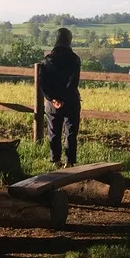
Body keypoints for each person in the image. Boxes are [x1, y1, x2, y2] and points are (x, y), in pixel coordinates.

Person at [39, 28, 82, 167]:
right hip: (70, 101)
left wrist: (53, 98)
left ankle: (55, 160)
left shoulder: (47, 60)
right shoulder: (74, 59)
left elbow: (43, 82)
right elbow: (73, 81)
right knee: (71, 131)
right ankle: (69, 162)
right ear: (69, 40)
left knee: (54, 130)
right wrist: (63, 98)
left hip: (52, 103)